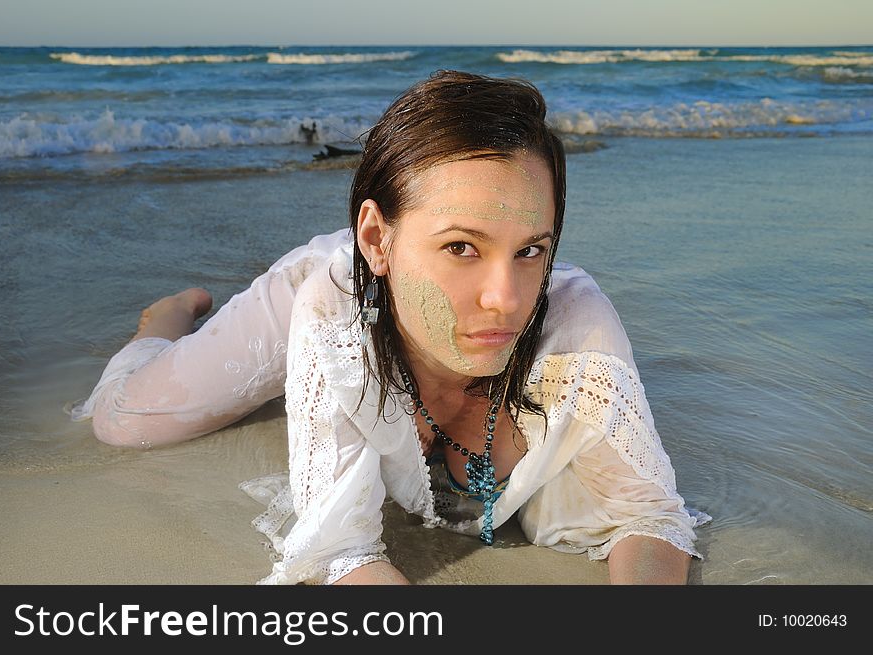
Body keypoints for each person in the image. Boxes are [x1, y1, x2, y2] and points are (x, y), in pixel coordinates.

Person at [72, 70, 710, 585]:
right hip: (337, 297)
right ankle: (167, 317)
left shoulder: (574, 320)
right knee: (125, 424)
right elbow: (342, 553)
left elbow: (646, 514)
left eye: (530, 250)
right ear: (376, 237)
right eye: (462, 247)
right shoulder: (331, 311)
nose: (506, 299)